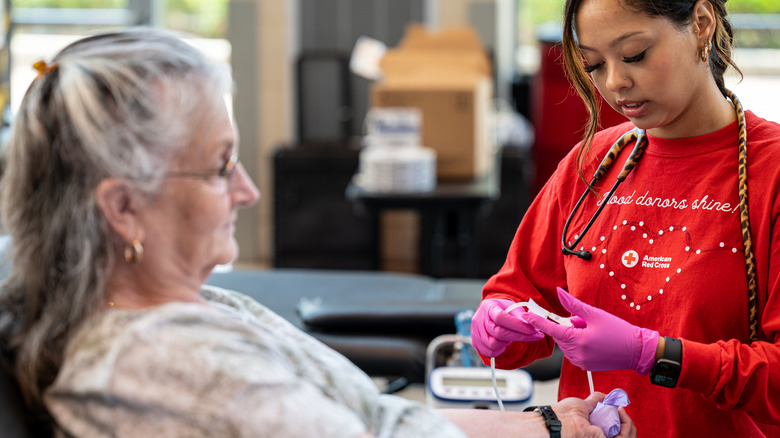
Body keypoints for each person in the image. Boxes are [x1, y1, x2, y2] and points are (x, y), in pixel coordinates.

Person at [0, 28, 634, 438]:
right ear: (124, 209)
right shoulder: (162, 362)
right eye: (221, 166)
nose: (247, 191)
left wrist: (551, 424)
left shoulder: (191, 308)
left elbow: (376, 421)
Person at [471, 0, 780, 436]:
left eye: (634, 55)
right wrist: (499, 322)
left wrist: (655, 354)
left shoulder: (771, 173)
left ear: (702, 24)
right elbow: (520, 293)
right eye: (594, 64)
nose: (615, 82)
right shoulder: (591, 163)